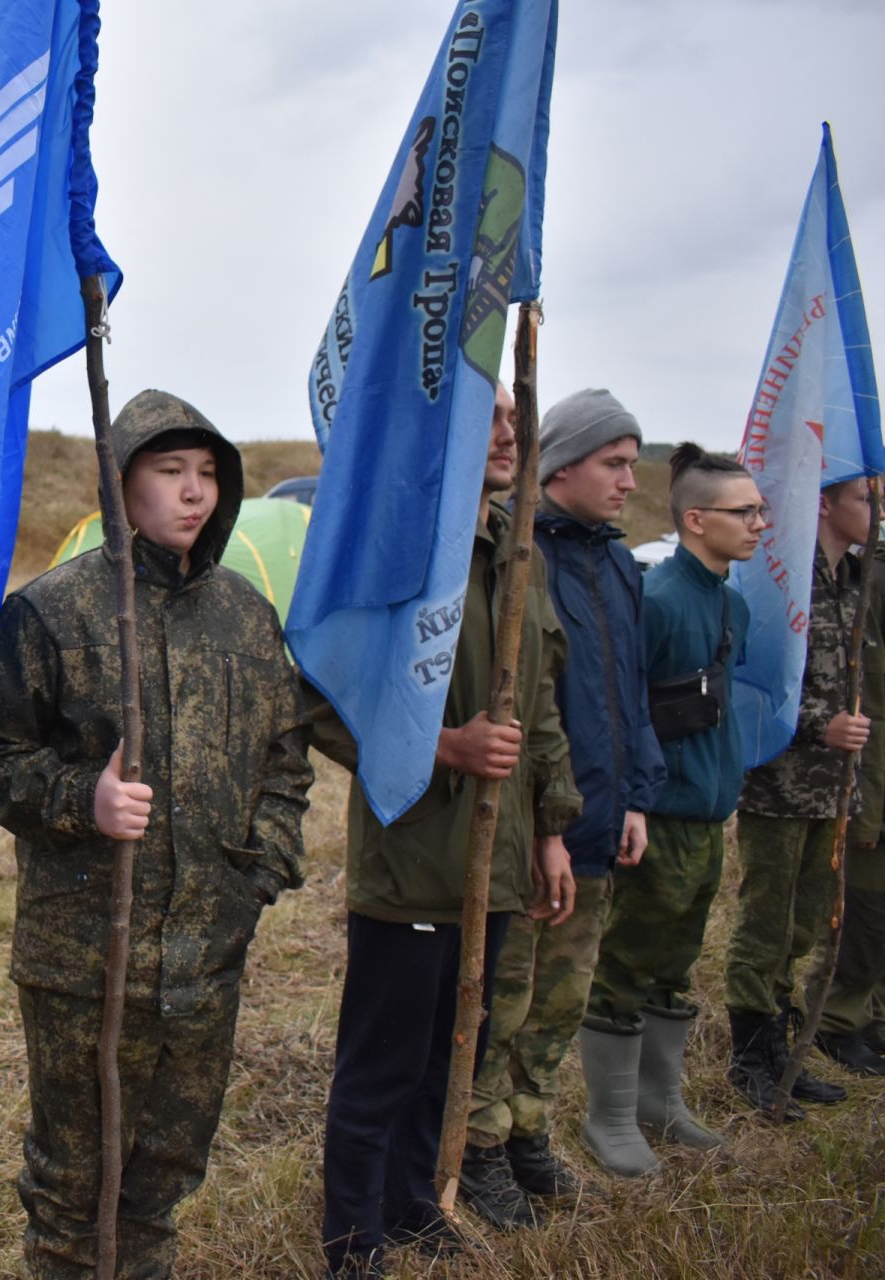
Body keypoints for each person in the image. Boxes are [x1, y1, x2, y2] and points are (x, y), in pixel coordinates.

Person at [0, 390, 313, 1279]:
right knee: (74, 1188)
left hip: (204, 957)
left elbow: (285, 763)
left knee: (161, 1176)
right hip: (82, 962)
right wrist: (86, 801)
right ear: (120, 489)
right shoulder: (53, 612)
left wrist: (254, 878)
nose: (194, 493)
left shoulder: (245, 615)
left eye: (207, 475)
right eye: (169, 472)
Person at [310, 382, 580, 1277]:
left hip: (497, 862)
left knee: (449, 1055)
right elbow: (321, 700)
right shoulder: (400, 554)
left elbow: (538, 712)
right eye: (490, 418)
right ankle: (354, 1240)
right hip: (416, 860)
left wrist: (549, 830)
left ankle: (416, 1206)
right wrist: (442, 746)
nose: (511, 433)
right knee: (383, 1066)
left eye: (516, 418)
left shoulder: (516, 553)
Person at [461, 390, 666, 1217]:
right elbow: (536, 701)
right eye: (615, 463)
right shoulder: (515, 550)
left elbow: (631, 691)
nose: (628, 481)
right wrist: (548, 815)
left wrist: (637, 797)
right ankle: (477, 1142)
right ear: (567, 463)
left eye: (633, 464)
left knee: (561, 1000)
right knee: (504, 996)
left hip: (602, 819)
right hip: (529, 822)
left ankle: (528, 1128)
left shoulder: (617, 561)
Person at [581, 444, 759, 1156]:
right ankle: (612, 1118)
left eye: (759, 510)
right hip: (658, 817)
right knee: (627, 961)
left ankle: (661, 1105)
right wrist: (632, 804)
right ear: (694, 519)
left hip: (710, 818)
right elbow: (623, 710)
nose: (756, 523)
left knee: (676, 964)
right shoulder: (656, 601)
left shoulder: (732, 605)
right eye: (742, 512)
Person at [723, 473, 873, 1115]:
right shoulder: (785, 578)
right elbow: (756, 675)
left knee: (806, 922)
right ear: (825, 503)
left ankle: (781, 1053)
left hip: (832, 788)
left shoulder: (852, 582)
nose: (878, 510)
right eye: (868, 498)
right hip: (781, 782)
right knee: (766, 922)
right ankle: (750, 1060)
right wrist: (820, 721)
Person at [815, 528, 885, 1077]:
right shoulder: (872, 581)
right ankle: (841, 1018)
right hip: (873, 776)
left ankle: (873, 1015)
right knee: (865, 909)